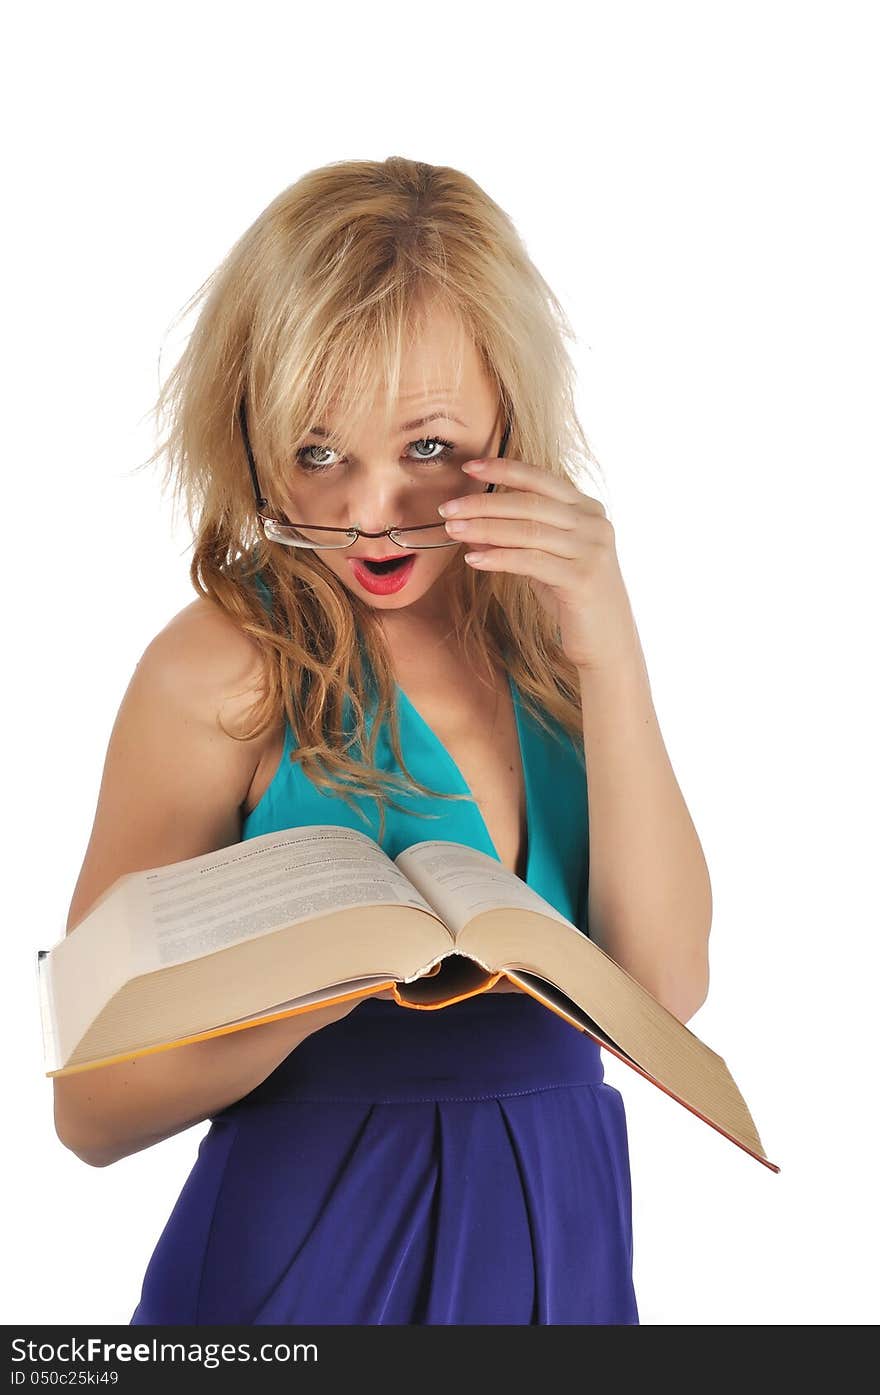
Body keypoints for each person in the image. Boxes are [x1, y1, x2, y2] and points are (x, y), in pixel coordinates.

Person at [55, 157, 711, 1325]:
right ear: (249, 431)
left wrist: (610, 645)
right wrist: (318, 985)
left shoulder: (560, 642)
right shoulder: (222, 666)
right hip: (306, 1252)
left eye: (425, 448)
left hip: (563, 1229)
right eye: (317, 454)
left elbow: (663, 994)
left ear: (509, 411)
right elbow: (91, 1111)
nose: (367, 514)